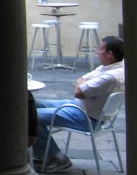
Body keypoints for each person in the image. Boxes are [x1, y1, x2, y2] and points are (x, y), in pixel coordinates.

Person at [33, 36, 125, 173]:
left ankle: (55, 158)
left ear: (109, 54)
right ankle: (40, 151)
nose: (97, 52)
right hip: (79, 107)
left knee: (32, 117)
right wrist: (82, 83)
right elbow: (82, 80)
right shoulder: (111, 67)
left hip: (86, 118)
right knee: (33, 105)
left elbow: (79, 91)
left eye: (100, 49)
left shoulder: (110, 77)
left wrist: (82, 83)